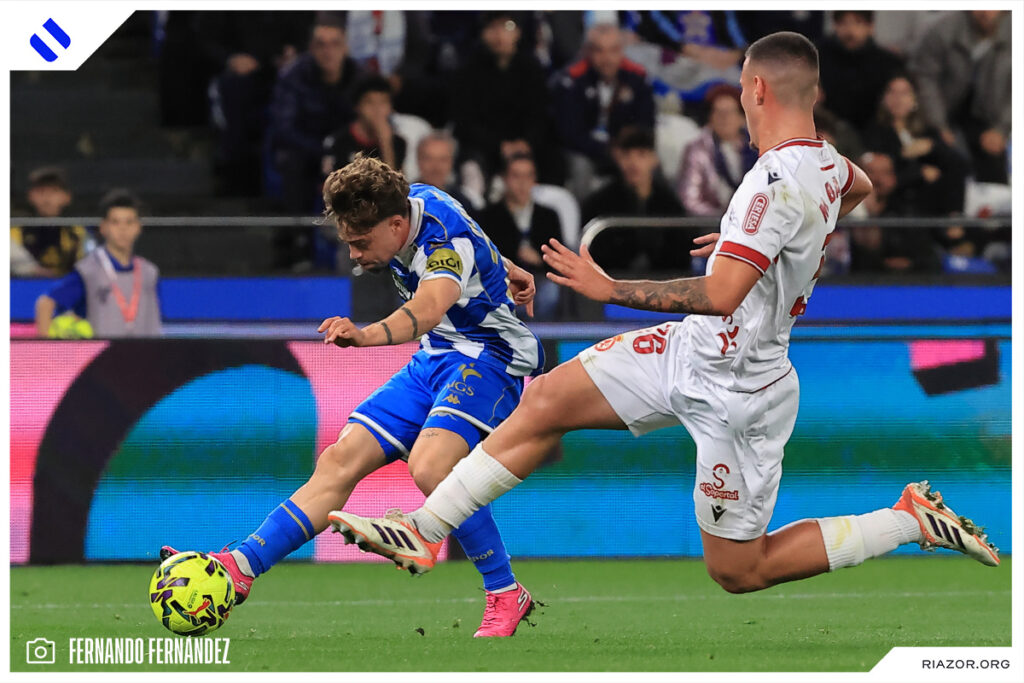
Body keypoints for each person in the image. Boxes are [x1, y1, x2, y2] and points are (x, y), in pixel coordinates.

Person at [329, 33, 999, 598]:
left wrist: (609, 286)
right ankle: (424, 529)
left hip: (742, 391)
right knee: (546, 400)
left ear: (758, 89)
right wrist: (762, 248)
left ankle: (908, 519)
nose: (741, 99)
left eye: (742, 86)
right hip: (690, 350)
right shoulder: (825, 164)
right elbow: (860, 187)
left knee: (738, 569)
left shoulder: (773, 183)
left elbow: (722, 294)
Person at [162, 155, 543, 638]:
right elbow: (474, 240)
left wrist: (364, 336)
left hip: (490, 357)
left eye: (361, 242)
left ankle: (504, 591)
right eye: (348, 241)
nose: (355, 254)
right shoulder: (417, 197)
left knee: (431, 466)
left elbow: (428, 307)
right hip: (436, 356)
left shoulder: (442, 247)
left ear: (396, 225)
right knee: (340, 459)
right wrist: (505, 266)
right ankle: (242, 564)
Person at [34, 190, 162, 338]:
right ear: (103, 227)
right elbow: (45, 304)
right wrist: (46, 347)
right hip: (103, 352)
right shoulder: (89, 270)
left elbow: (155, 320)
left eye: (129, 222)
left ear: (139, 227)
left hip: (145, 351)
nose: (123, 228)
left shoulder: (149, 272)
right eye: (115, 222)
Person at [269, 13, 362, 212]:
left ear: (346, 47)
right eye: (321, 45)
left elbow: (363, 121)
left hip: (347, 147)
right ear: (311, 48)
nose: (328, 52)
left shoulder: (359, 77)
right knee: (291, 161)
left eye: (335, 44)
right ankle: (296, 227)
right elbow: (285, 128)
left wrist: (337, 149)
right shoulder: (293, 77)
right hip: (306, 148)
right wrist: (323, 150)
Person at [553, 22, 655, 199]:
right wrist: (608, 150)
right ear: (588, 51)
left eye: (613, 50)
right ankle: (585, 217)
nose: (607, 58)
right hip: (586, 150)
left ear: (621, 51)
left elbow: (646, 124)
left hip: (626, 150)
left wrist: (626, 151)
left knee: (650, 166)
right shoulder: (571, 80)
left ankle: (648, 214)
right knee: (580, 167)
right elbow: (569, 133)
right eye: (599, 51)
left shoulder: (637, 79)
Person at [909, 10, 1011, 184]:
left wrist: (1001, 129)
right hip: (942, 113)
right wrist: (939, 125)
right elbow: (925, 78)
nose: (986, 12)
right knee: (946, 162)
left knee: (993, 167)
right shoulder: (943, 29)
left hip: (989, 118)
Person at [581, 126, 687, 274]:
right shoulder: (598, 203)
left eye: (641, 154)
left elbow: (681, 256)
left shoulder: (670, 204)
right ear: (617, 158)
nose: (633, 162)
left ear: (654, 159)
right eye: (626, 155)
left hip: (662, 282)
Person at [862, 74, 967, 217]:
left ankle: (955, 220)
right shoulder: (874, 133)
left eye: (904, 93)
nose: (898, 99)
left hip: (932, 206)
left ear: (914, 98)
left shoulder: (927, 132)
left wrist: (933, 147)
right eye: (892, 92)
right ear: (883, 98)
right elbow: (879, 177)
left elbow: (959, 164)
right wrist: (919, 173)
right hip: (894, 209)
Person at [478, 153, 564, 318]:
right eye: (516, 176)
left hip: (540, 280)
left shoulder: (548, 216)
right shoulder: (488, 216)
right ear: (505, 179)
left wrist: (539, 259)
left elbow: (558, 260)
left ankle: (543, 333)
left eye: (528, 176)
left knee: (551, 292)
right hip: (503, 282)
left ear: (534, 179)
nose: (522, 183)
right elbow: (484, 260)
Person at [677, 84, 758, 217]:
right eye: (718, 112)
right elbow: (689, 200)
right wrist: (726, 219)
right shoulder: (696, 150)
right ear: (710, 117)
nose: (724, 118)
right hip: (712, 223)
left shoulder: (757, 147)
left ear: (742, 118)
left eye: (730, 112)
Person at [815, 11, 904, 132]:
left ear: (870, 27)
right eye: (843, 23)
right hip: (825, 129)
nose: (850, 30)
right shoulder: (817, 57)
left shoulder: (888, 63)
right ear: (834, 26)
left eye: (858, 22)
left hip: (876, 131)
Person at [11, 167, 88, 277]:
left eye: (54, 191)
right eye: (41, 192)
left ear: (67, 197)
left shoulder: (78, 233)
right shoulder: (14, 232)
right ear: (30, 196)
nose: (47, 199)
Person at [322, 75, 407, 173]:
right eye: (370, 102)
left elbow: (395, 181)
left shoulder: (397, 143)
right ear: (357, 106)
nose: (377, 110)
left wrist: (386, 145)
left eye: (383, 102)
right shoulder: (338, 142)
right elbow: (331, 180)